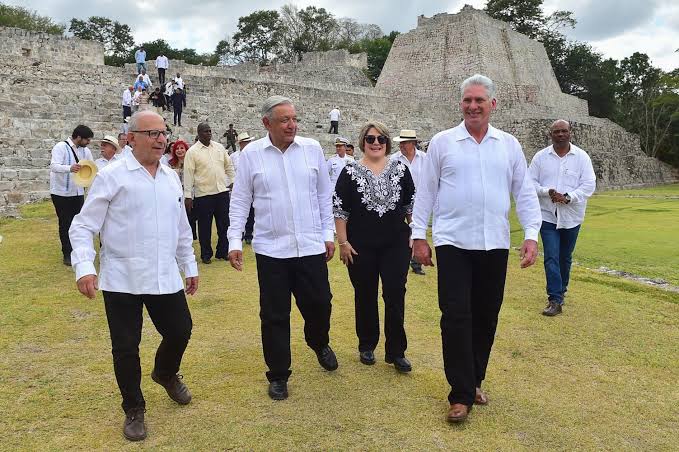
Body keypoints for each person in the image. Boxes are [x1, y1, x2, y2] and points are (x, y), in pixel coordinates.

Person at [411, 74, 542, 423]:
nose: (472, 106)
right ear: (461, 104)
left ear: (492, 105)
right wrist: (418, 235)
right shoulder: (442, 143)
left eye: (479, 101)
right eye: (467, 100)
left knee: (485, 315)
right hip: (453, 242)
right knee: (455, 316)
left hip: (494, 243)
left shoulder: (509, 145)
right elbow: (425, 192)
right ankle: (460, 395)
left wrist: (531, 234)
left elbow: (524, 192)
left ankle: (474, 380)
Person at [69, 111, 198, 442]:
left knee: (181, 329)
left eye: (162, 133)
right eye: (151, 133)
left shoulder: (170, 176)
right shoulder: (112, 176)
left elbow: (181, 227)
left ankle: (165, 373)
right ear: (132, 138)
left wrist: (189, 265)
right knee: (126, 347)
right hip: (121, 276)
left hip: (164, 274)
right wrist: (85, 267)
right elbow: (83, 225)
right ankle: (134, 409)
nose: (160, 139)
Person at [227, 95, 338, 401]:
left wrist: (328, 234)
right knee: (275, 315)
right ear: (267, 123)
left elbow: (322, 196)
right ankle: (278, 374)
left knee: (321, 304)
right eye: (284, 120)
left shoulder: (312, 149)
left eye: (294, 119)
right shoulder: (252, 156)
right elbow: (240, 201)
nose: (292, 125)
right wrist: (234, 239)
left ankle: (318, 341)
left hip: (311, 245)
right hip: (272, 250)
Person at [333, 122, 415, 372]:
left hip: (395, 244)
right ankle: (366, 344)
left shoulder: (401, 169)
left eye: (381, 138)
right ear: (362, 142)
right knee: (365, 294)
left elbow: (410, 204)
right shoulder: (350, 171)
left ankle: (397, 350)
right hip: (360, 246)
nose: (376, 143)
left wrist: (416, 233)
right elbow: (340, 209)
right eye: (370, 139)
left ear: (387, 142)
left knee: (394, 294)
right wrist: (343, 242)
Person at [528, 119, 596, 316]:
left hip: (572, 216)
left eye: (563, 131)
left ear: (570, 133)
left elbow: (589, 184)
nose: (560, 134)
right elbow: (529, 181)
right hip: (547, 215)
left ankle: (561, 290)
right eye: (556, 131)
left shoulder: (581, 157)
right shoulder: (541, 157)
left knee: (565, 257)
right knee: (551, 256)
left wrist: (568, 197)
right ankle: (554, 299)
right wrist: (546, 191)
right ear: (551, 134)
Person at [183, 122, 235, 264]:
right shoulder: (192, 152)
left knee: (224, 225)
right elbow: (188, 174)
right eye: (205, 131)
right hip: (203, 194)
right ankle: (206, 254)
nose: (209, 133)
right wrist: (188, 195)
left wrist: (233, 180)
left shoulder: (219, 147)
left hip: (222, 192)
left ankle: (223, 251)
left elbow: (228, 165)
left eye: (210, 131)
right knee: (205, 227)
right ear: (199, 133)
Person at [49, 125, 94, 266]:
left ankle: (79, 251)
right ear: (78, 137)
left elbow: (92, 166)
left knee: (79, 223)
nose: (89, 142)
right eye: (87, 139)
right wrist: (70, 168)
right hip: (61, 192)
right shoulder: (60, 147)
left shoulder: (86, 151)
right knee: (65, 223)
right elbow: (54, 166)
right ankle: (67, 254)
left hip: (78, 192)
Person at [391, 129, 428, 276]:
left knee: (418, 231)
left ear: (413, 143)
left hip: (420, 202)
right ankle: (399, 259)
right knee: (400, 231)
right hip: (400, 202)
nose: (402, 145)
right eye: (401, 143)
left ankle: (416, 262)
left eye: (405, 142)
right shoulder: (394, 159)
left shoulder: (425, 158)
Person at [168, 139, 198, 240]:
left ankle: (191, 238)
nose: (179, 150)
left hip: (190, 193)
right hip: (176, 194)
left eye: (182, 148)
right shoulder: (170, 164)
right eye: (177, 148)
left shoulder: (192, 162)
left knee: (190, 218)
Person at [230, 132, 256, 244]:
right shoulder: (233, 157)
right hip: (237, 188)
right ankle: (238, 234)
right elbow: (229, 172)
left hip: (252, 187)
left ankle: (249, 234)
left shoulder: (255, 155)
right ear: (240, 144)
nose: (247, 144)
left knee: (251, 212)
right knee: (237, 211)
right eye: (245, 142)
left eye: (248, 142)